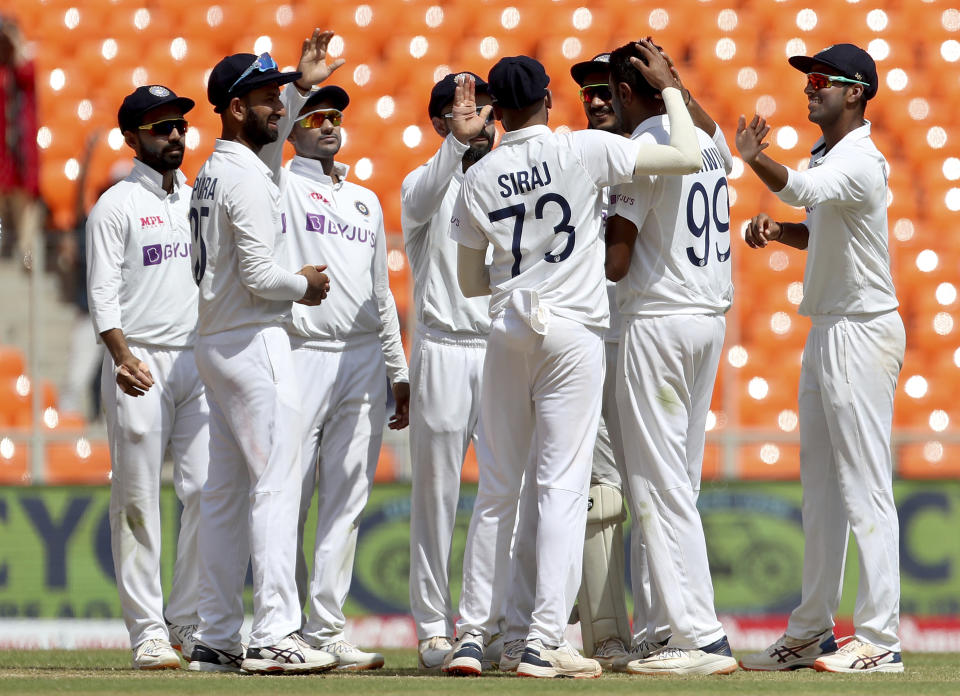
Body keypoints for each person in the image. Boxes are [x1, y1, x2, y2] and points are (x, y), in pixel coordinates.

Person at [445, 43, 701, 679]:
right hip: (575, 331)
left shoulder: (476, 177)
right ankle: (540, 641)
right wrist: (670, 90)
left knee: (497, 490)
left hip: (507, 327)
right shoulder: (580, 149)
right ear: (549, 101)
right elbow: (688, 155)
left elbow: (470, 282)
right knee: (561, 487)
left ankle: (473, 637)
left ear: (498, 110)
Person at [736, 43, 905, 674]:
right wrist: (781, 232)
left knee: (864, 488)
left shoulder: (861, 158)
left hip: (862, 330)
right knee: (823, 492)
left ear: (855, 92)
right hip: (830, 327)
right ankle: (810, 630)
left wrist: (757, 163)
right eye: (807, 79)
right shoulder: (829, 152)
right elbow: (820, 221)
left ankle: (881, 639)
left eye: (820, 80)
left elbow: (803, 187)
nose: (809, 88)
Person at [187, 33, 343, 674]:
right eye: (262, 96)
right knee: (277, 484)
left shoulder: (219, 168)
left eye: (278, 93)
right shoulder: (245, 177)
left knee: (224, 493)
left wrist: (302, 85)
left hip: (216, 342)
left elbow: (270, 149)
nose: (277, 104)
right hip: (255, 338)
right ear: (230, 108)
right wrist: (305, 285)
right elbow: (260, 277)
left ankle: (217, 634)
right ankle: (277, 631)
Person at [602, 40, 737, 676]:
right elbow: (714, 135)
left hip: (656, 322)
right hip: (708, 321)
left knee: (657, 486)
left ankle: (699, 637)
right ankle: (663, 627)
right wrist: (676, 83)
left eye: (610, 94)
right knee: (677, 481)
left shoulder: (644, 149)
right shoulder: (707, 141)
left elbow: (616, 260)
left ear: (629, 93)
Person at [278, 85, 409, 671]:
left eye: (336, 117)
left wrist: (397, 370)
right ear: (292, 130)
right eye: (315, 118)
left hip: (360, 359)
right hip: (300, 349)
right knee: (289, 494)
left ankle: (325, 629)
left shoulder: (365, 200)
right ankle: (281, 626)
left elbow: (382, 295)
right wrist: (293, 93)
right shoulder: (277, 183)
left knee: (347, 497)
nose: (329, 126)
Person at [86, 84, 207, 670]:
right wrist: (120, 354)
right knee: (136, 498)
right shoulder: (114, 205)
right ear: (132, 138)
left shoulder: (198, 198)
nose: (176, 136)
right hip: (139, 362)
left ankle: (184, 621)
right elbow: (101, 293)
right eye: (161, 128)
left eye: (180, 126)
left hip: (197, 360)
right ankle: (147, 632)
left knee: (209, 492)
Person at [401, 70, 498, 671]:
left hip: (501, 347)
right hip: (441, 346)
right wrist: (457, 145)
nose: (479, 119)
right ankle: (434, 627)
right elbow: (432, 184)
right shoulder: (423, 183)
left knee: (505, 491)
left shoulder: (508, 178)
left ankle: (498, 621)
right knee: (436, 495)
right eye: (464, 111)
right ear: (441, 122)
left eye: (485, 109)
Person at [0, 14, 41, 269]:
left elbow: (27, 72)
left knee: (24, 200)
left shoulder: (21, 64)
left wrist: (16, 41)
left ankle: (26, 255)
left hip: (21, 146)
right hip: (4, 146)